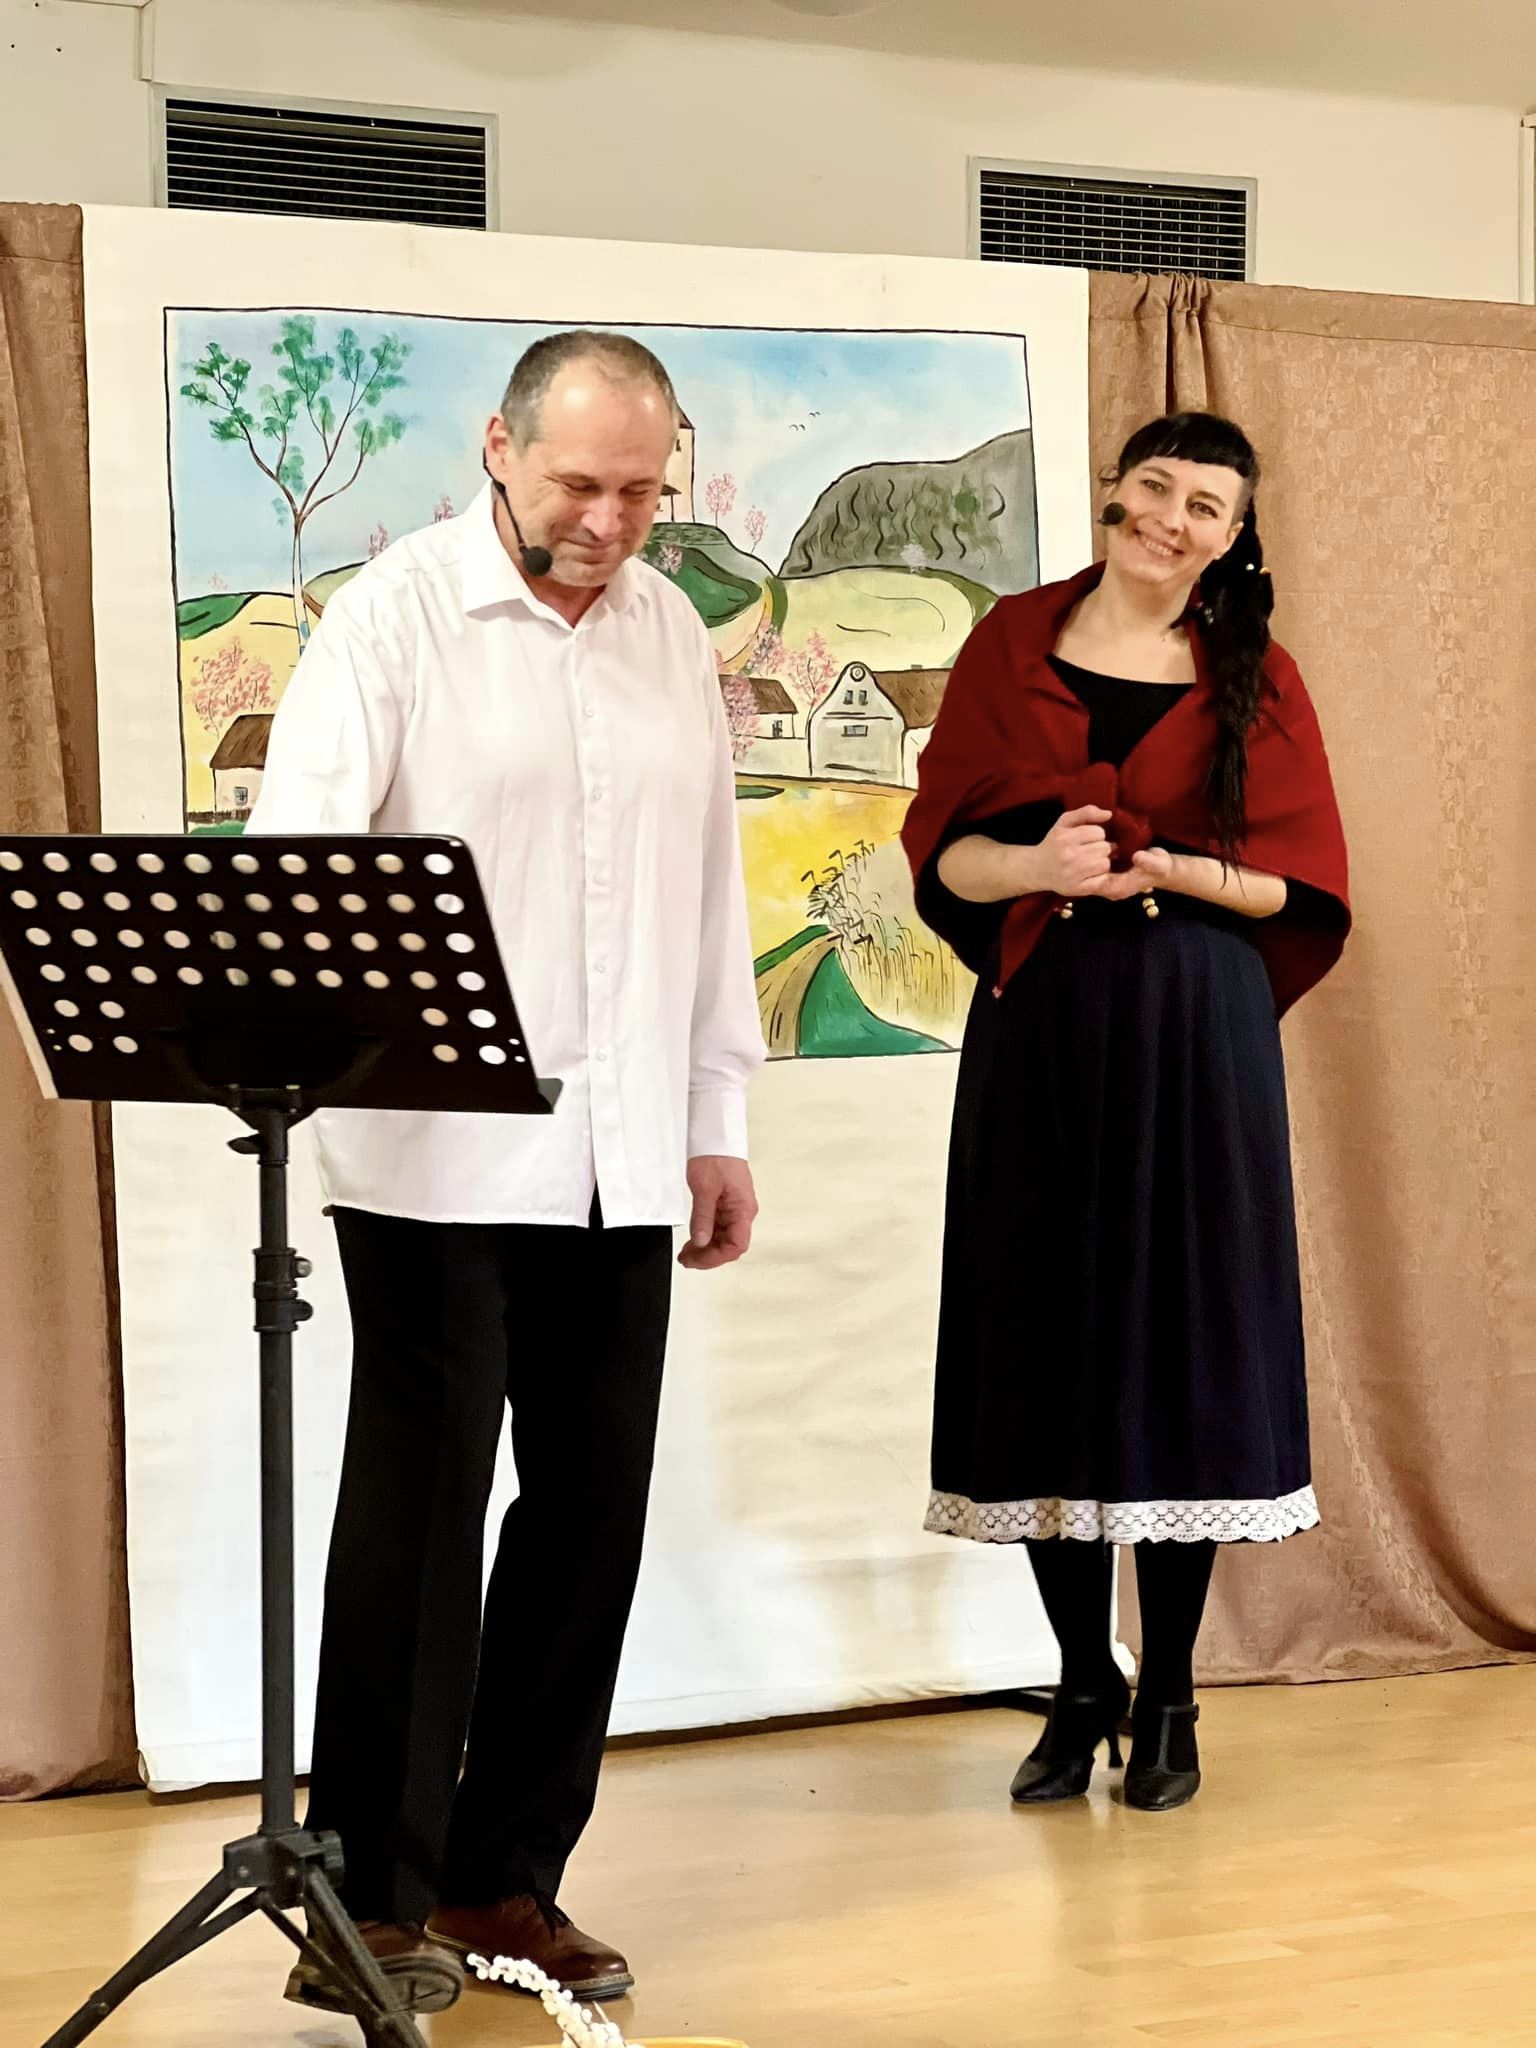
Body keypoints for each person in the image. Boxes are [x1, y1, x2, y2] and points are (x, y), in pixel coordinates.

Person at [246, 330, 766, 2014]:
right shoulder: (392, 618)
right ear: (497, 447)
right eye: (580, 485)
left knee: (591, 1512)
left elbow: (709, 889)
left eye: (642, 491)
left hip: (625, 1156)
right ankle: (369, 1903)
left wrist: (716, 1119)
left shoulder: (670, 630)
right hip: (435, 1153)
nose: (610, 521)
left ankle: (502, 1878)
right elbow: (302, 875)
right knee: (420, 1516)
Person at [900, 412, 1349, 1813]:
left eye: (1206, 505)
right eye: (1156, 486)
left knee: (1180, 1336)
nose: (1171, 517)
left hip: (1197, 1034)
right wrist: (1041, 864)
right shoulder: (1009, 643)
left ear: (1233, 537)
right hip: (1043, 1024)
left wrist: (1176, 871)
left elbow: (1304, 888)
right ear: (1114, 491)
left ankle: (1170, 1696)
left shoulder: (1257, 672)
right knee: (1047, 1331)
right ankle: (1079, 1677)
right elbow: (945, 860)